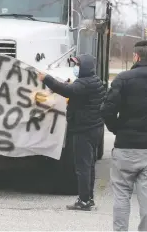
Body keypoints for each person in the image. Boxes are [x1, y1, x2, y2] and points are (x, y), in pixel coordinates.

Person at [101, 40, 147, 231]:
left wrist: (117, 129)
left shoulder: (122, 79)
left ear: (136, 56)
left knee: (121, 196)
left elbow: (107, 110)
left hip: (125, 147)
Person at [38, 54, 105, 211]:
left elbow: (65, 90)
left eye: (78, 65)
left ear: (85, 67)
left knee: (82, 166)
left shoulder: (84, 84)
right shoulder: (95, 81)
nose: (75, 68)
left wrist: (46, 78)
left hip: (83, 129)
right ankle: (89, 198)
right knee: (89, 165)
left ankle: (83, 200)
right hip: (94, 128)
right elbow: (73, 89)